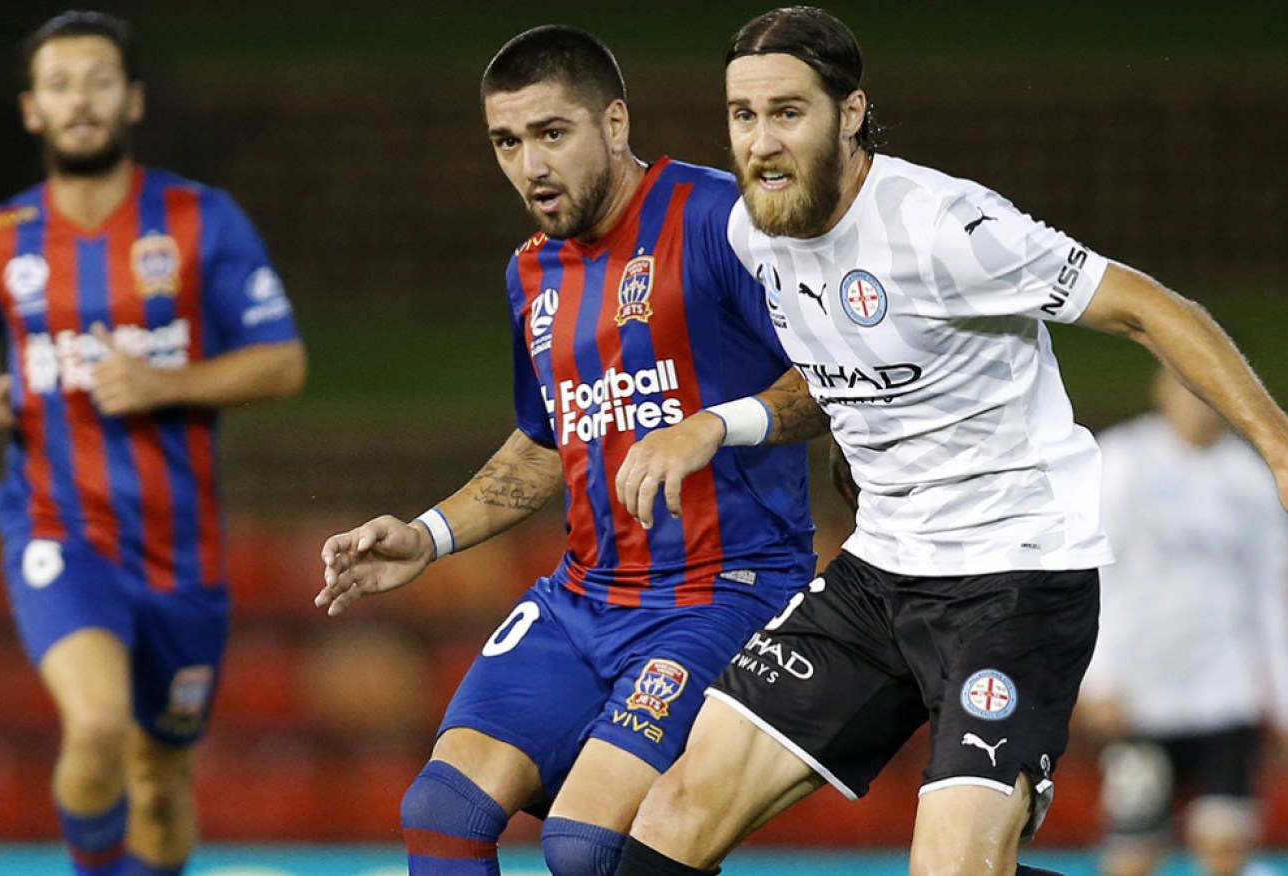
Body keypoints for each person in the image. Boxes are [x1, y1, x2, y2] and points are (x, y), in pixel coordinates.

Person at [609, 7, 1288, 876]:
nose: (761, 141)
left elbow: (1152, 310)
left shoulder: (944, 228)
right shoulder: (758, 232)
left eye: (787, 112)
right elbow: (840, 373)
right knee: (669, 819)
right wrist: (717, 424)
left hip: (1013, 582)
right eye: (743, 115)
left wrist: (1273, 443)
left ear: (849, 113)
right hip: (880, 574)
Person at [314, 24, 820, 876]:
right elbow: (554, 437)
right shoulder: (531, 272)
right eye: (506, 143)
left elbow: (834, 379)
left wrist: (712, 425)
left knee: (585, 847)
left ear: (614, 124)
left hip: (721, 594)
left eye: (552, 134)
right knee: (440, 810)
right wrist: (426, 536)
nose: (529, 166)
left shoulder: (717, 219)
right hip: (583, 598)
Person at [0, 12, 307, 876]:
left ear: (132, 101)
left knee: (160, 779)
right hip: (58, 529)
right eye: (59, 83)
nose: (78, 98)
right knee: (94, 728)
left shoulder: (201, 221)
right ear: (31, 110)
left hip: (181, 555)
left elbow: (282, 362)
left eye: (96, 80)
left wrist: (165, 384)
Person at [1075, 367, 1288, 876]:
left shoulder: (1251, 480)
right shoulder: (1121, 462)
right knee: (1132, 856)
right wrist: (1095, 677)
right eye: (1187, 386)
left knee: (1224, 851)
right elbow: (1090, 573)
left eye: (1211, 390)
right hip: (1139, 701)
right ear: (1161, 388)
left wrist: (1282, 704)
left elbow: (1270, 594)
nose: (1200, 402)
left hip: (1224, 698)